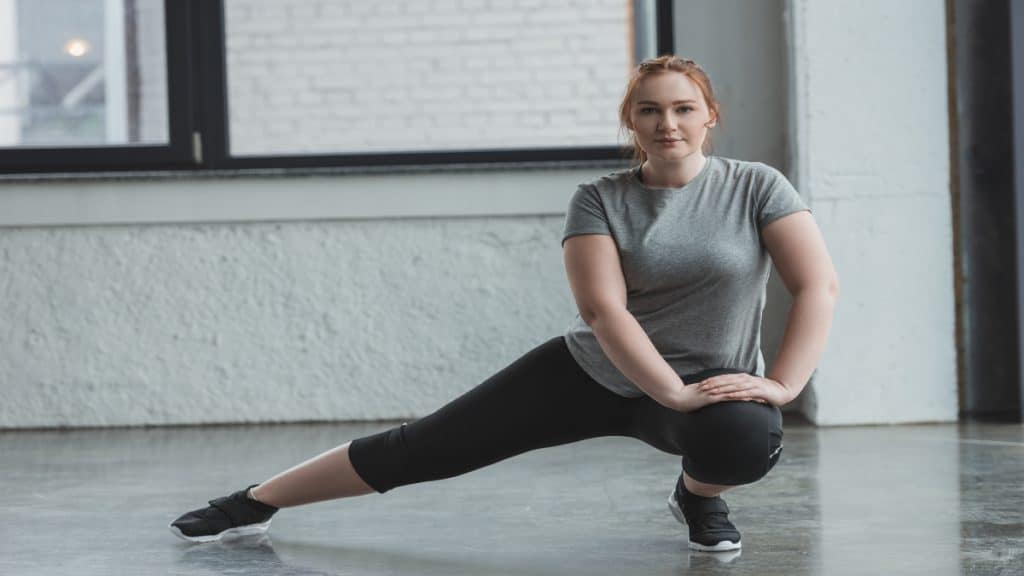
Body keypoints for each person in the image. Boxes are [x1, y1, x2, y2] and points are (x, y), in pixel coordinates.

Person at [169, 55, 839, 552]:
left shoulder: (755, 187)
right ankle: (251, 501)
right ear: (630, 121)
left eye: (683, 108)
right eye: (650, 110)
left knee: (745, 437)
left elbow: (817, 284)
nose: (668, 123)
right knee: (421, 448)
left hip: (709, 380)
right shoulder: (600, 199)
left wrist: (781, 384)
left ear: (709, 115)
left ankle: (698, 500)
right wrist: (669, 391)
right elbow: (604, 312)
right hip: (596, 371)